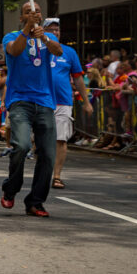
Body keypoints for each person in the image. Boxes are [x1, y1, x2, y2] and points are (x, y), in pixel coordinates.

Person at [1, 2, 62, 217]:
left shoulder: (49, 37)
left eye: (36, 12)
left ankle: (35, 201)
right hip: (20, 101)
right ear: (21, 18)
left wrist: (43, 37)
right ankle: (11, 188)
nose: (32, 14)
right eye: (27, 12)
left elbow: (58, 51)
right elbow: (15, 51)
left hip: (44, 101)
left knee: (47, 154)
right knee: (21, 145)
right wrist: (28, 29)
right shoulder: (11, 37)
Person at [42, 18, 93, 189]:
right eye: (51, 29)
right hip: (41, 100)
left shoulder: (69, 52)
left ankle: (56, 176)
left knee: (61, 140)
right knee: (42, 141)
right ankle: (43, 172)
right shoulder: (37, 50)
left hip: (63, 101)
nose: (55, 32)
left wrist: (86, 102)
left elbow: (78, 78)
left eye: (57, 30)